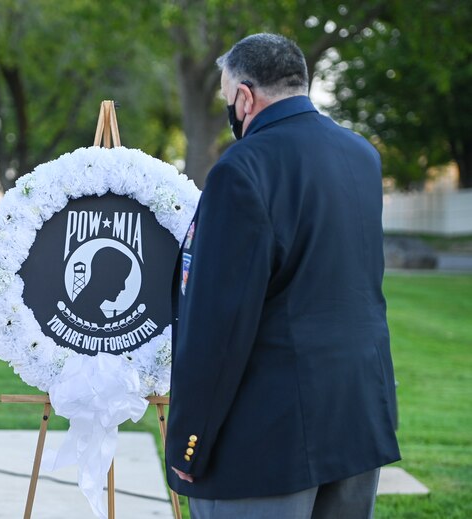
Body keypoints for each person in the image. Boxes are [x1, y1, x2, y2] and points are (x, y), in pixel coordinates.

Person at [166, 33, 400, 518]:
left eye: (228, 97)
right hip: (357, 417)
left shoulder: (243, 169)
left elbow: (220, 325)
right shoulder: (361, 156)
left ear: (245, 97)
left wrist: (190, 441)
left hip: (267, 438)